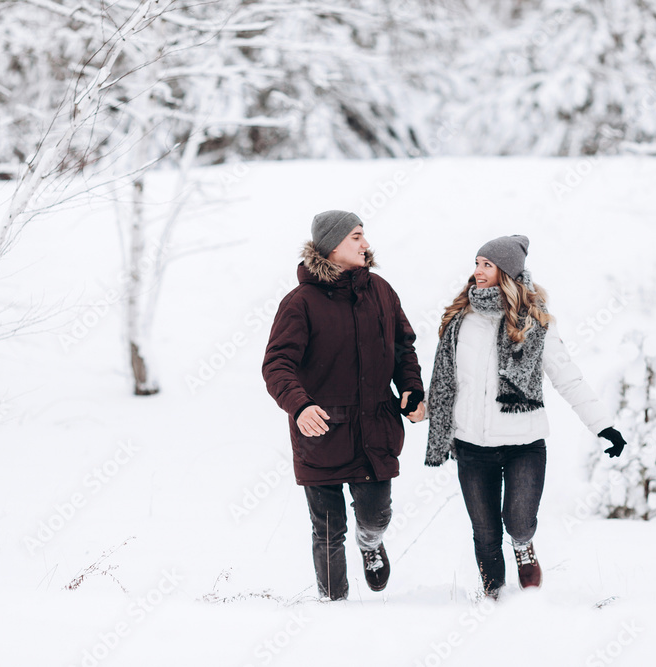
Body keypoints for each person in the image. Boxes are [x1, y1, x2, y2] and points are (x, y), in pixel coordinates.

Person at [424, 235, 627, 598]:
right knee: (485, 532)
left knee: (518, 521)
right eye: (477, 263)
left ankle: (523, 546)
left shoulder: (535, 323)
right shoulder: (460, 320)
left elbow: (568, 376)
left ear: (507, 272)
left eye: (487, 264)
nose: (477, 272)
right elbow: (446, 382)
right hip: (471, 446)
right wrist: (418, 407)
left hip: (523, 444)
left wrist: (604, 426)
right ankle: (496, 599)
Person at [263, 210, 426, 601]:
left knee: (376, 515)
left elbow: (404, 347)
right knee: (327, 529)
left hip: (376, 429)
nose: (366, 244)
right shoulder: (300, 303)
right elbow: (277, 364)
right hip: (320, 432)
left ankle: (370, 544)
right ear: (333, 245)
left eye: (363, 236)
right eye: (356, 237)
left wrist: (412, 388)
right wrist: (300, 407)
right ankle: (333, 605)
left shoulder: (381, 291)